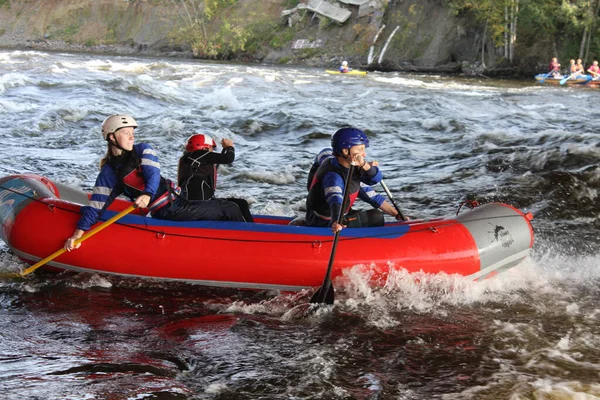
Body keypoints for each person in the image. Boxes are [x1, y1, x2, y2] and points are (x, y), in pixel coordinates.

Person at [64, 114, 245, 251]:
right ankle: (244, 245)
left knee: (235, 205)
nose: (131, 137)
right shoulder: (109, 173)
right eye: (126, 133)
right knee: (230, 209)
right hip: (170, 210)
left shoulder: (143, 149)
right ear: (112, 137)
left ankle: (245, 232)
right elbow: (97, 205)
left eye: (132, 133)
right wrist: (77, 234)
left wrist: (146, 193)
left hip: (179, 202)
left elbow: (153, 173)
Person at [305, 127, 404, 233]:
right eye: (360, 149)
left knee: (366, 210)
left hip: (329, 215)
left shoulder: (343, 165)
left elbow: (372, 194)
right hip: (326, 223)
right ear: (345, 151)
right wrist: (336, 221)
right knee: (376, 217)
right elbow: (335, 199)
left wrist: (397, 215)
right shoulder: (334, 177)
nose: (364, 154)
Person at [177, 133, 253, 222]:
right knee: (233, 207)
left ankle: (250, 227)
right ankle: (247, 230)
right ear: (204, 148)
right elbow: (228, 158)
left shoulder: (189, 159)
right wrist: (229, 147)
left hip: (198, 204)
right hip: (201, 206)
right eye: (211, 148)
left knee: (242, 203)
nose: (212, 151)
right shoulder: (199, 155)